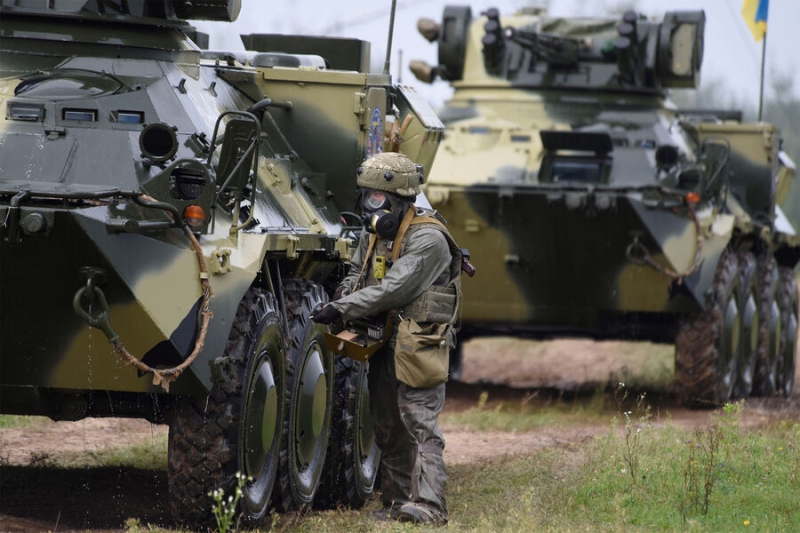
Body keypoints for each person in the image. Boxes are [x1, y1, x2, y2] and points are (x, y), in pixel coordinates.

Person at [311, 151, 462, 526]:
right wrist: (344, 295)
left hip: (420, 342)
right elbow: (356, 274)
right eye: (366, 197)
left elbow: (392, 290)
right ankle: (396, 501)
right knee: (387, 423)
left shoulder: (428, 240)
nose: (369, 207)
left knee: (419, 422)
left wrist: (342, 309)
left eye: (377, 199)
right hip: (386, 339)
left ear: (400, 200)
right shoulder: (376, 233)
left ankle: (430, 505)